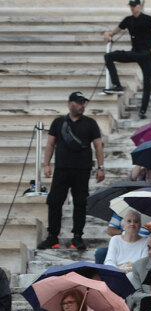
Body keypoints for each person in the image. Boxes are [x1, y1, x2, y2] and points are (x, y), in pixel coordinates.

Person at [38, 92, 105, 251]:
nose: (82, 105)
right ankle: (52, 237)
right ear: (70, 104)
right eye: (79, 102)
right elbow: (50, 144)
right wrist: (46, 164)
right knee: (54, 201)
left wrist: (101, 167)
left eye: (83, 103)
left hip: (82, 169)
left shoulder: (90, 123)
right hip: (62, 168)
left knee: (80, 203)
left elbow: (98, 146)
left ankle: (77, 237)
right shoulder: (59, 122)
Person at [102, 0, 151, 119]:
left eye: (135, 6)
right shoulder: (128, 20)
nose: (133, 8)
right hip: (135, 52)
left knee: (147, 82)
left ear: (139, 6)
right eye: (131, 6)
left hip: (146, 55)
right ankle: (117, 85)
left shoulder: (148, 19)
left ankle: (143, 111)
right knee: (109, 56)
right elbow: (115, 32)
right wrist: (107, 34)